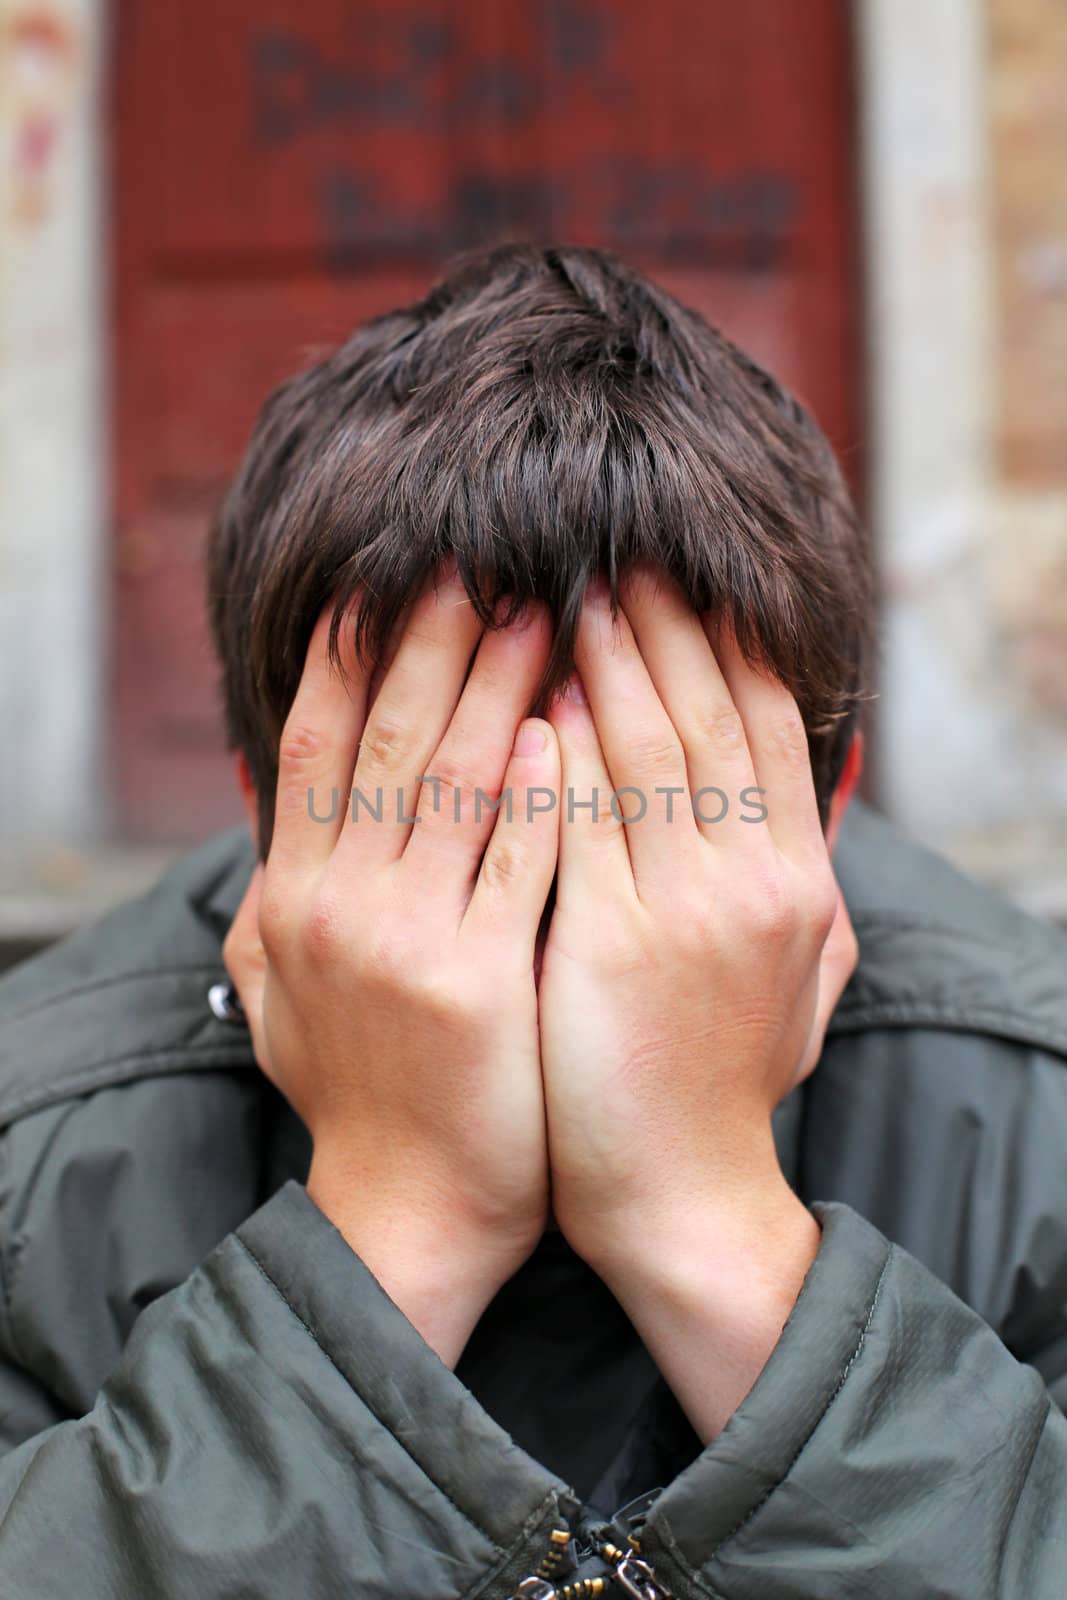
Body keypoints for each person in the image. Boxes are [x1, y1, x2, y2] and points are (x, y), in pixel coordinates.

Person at [0, 244, 1064, 1597]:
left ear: (832, 806)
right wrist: (404, 1222)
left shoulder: (1034, 1135)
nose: (559, 944)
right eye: (458, 829)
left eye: (652, 817)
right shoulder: (34, 1178)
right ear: (271, 827)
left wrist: (708, 1221)